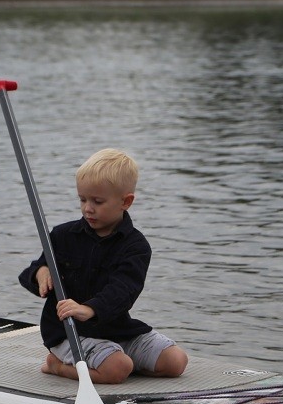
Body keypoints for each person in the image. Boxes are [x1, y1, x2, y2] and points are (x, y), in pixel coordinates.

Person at [18, 148, 188, 385]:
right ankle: (57, 366)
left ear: (125, 202)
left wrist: (91, 309)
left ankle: (113, 359)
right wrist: (40, 272)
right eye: (82, 199)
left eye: (98, 201)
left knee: (176, 361)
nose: (88, 208)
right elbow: (30, 272)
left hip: (116, 329)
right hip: (69, 332)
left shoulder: (136, 246)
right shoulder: (62, 235)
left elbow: (124, 289)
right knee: (118, 368)